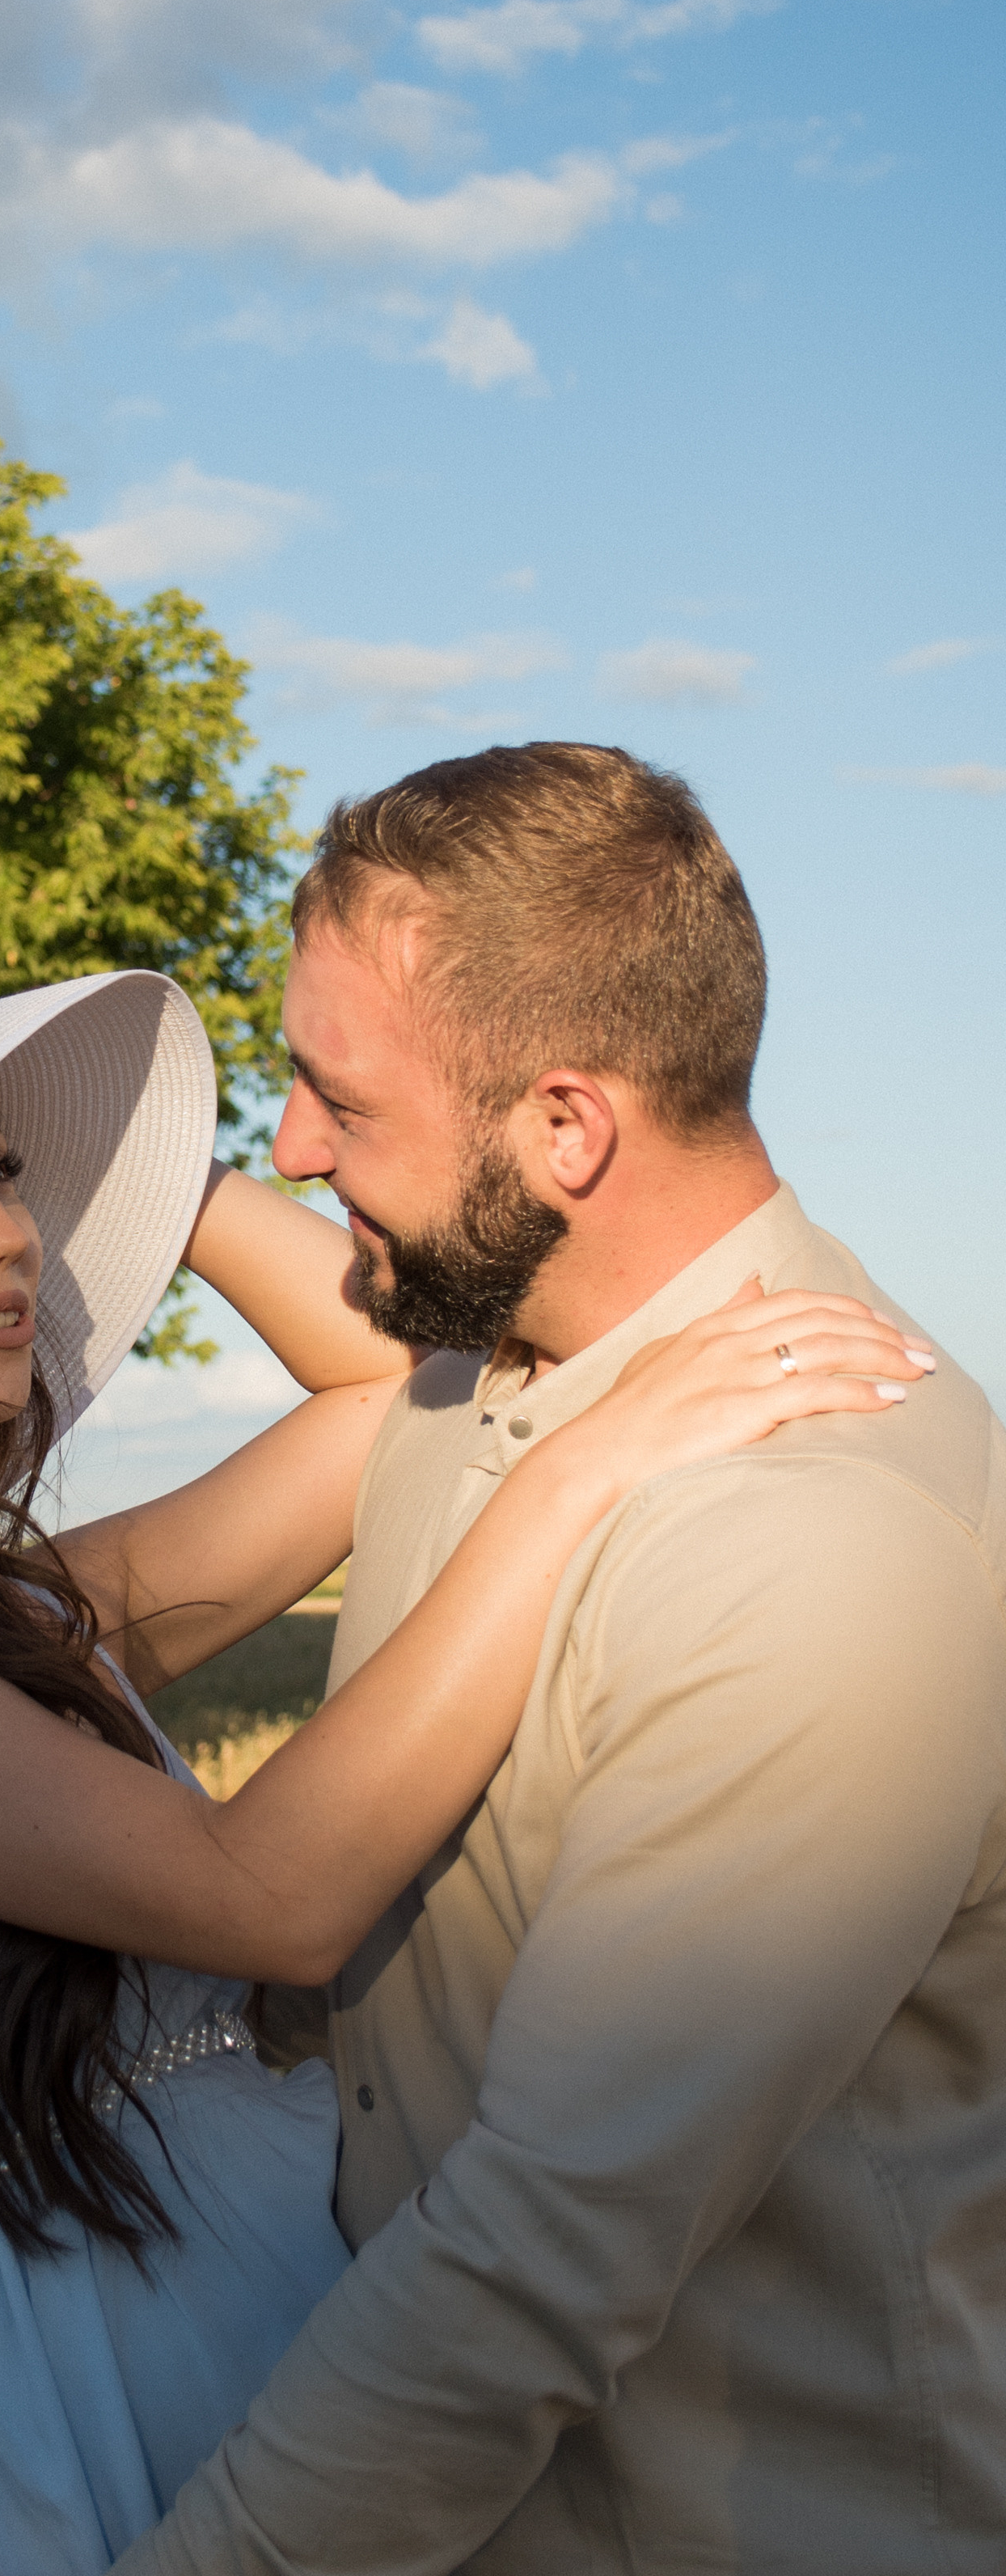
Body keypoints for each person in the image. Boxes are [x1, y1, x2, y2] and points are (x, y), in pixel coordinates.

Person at [0, 966, 925, 2576]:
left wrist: (162, 1176)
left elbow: (394, 1381)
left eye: (8, 1169)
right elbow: (276, 1896)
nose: (11, 1233)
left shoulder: (24, 1616)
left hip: (227, 2389)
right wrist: (592, 1465)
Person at [113, 742, 1006, 2576]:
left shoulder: (812, 1543)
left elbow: (537, 2260)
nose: (289, 1149)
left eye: (334, 1102)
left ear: (566, 1129)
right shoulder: (466, 1364)